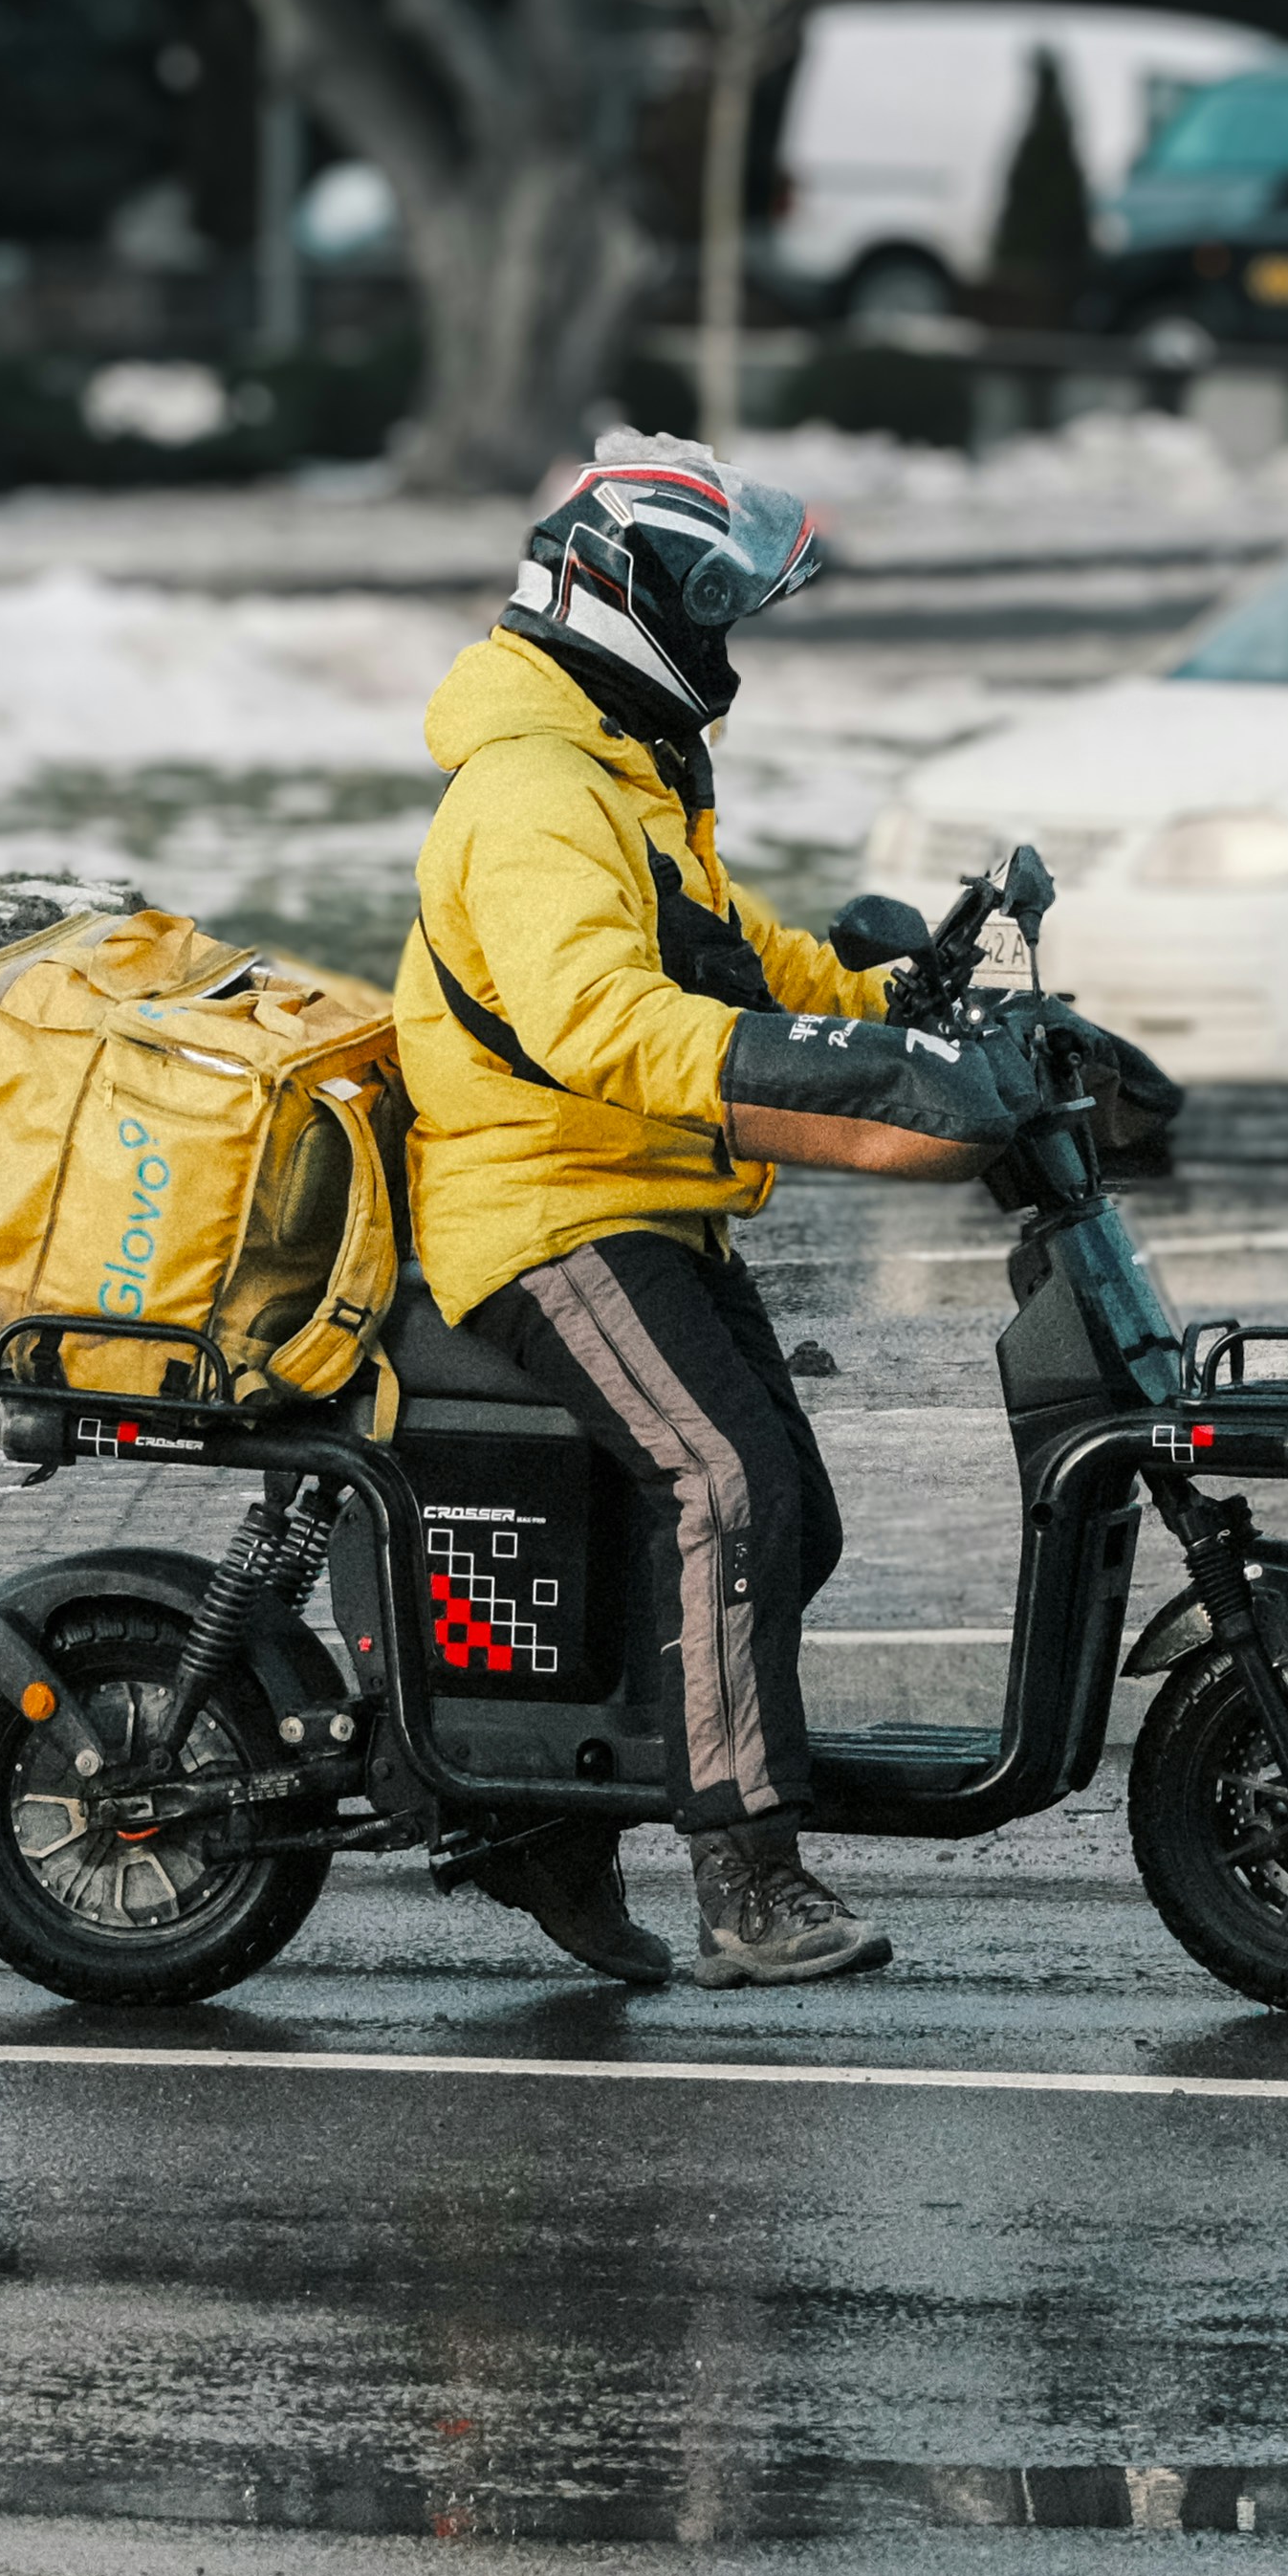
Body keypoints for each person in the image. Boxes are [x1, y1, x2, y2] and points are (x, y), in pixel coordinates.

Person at [397, 432, 910, 1991]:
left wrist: (901, 1009)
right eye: (709, 614)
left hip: (638, 1196)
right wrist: (770, 1065)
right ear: (626, 603)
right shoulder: (534, 794)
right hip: (544, 1205)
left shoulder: (628, 779)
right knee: (728, 1483)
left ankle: (546, 1824)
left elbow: (743, 954)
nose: (720, 647)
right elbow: (596, 1018)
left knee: (791, 1521)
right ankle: (746, 1880)